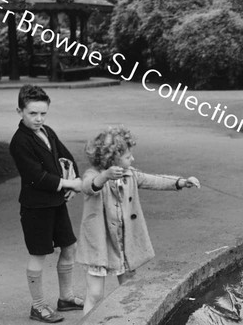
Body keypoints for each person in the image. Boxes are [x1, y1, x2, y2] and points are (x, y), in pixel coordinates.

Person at [76, 125, 200, 315]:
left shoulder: (130, 174)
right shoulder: (93, 174)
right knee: (95, 294)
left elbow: (155, 180)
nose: (132, 159)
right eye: (127, 156)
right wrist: (105, 176)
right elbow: (88, 187)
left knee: (128, 290)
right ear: (113, 159)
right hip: (100, 244)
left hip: (124, 243)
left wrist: (181, 182)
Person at [9, 84, 84, 323]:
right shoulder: (20, 141)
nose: (39, 118)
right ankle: (38, 306)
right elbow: (36, 177)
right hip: (35, 208)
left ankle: (66, 297)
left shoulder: (47, 131)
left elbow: (66, 157)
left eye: (43, 113)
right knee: (39, 253)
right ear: (20, 111)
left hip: (55, 203)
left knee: (69, 246)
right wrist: (67, 184)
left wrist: (73, 180)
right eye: (33, 113)